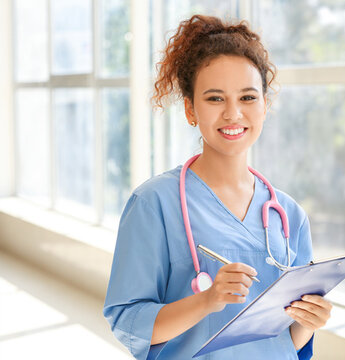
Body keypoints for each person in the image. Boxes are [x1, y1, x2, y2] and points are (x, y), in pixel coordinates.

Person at [103, 15, 331, 360]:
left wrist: (309, 322)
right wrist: (206, 301)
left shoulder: (289, 215)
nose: (233, 113)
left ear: (265, 106)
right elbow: (127, 322)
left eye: (248, 97)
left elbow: (284, 344)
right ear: (191, 110)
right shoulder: (154, 204)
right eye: (214, 99)